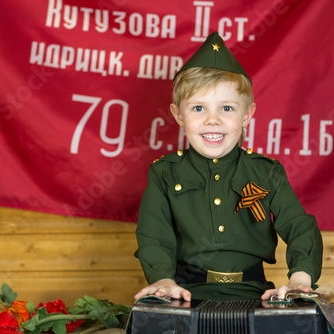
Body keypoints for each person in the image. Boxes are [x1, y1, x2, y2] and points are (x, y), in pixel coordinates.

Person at [134, 32, 323, 302]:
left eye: (227, 108)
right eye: (198, 108)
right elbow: (154, 236)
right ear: (178, 115)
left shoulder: (267, 172)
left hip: (254, 292)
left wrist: (300, 278)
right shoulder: (165, 172)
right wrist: (163, 279)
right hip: (185, 292)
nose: (213, 120)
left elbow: (300, 227)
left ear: (247, 115)